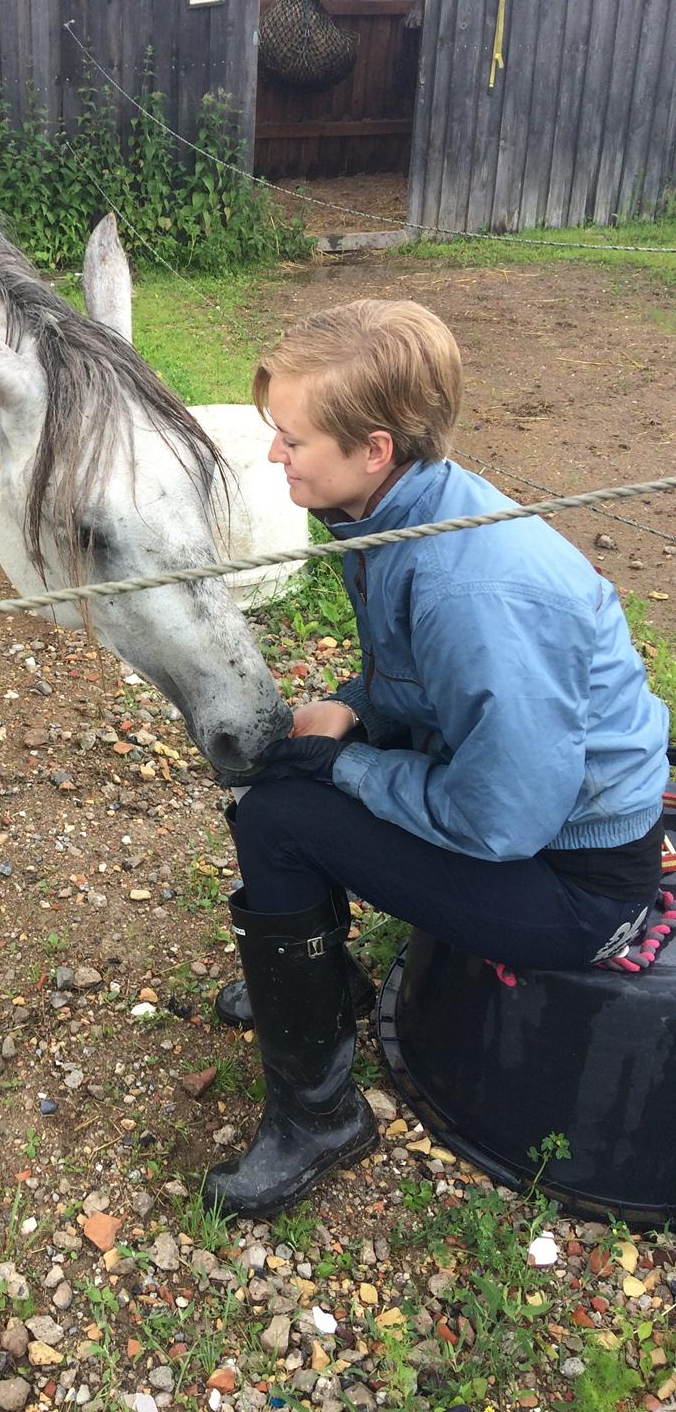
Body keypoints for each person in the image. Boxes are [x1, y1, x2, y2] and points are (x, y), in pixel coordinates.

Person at [204, 298, 671, 1220]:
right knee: (286, 757)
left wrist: (350, 769)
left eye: (291, 439)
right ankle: (322, 975)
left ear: (373, 448)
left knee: (277, 814)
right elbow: (426, 684)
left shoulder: (471, 584)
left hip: (573, 882)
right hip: (539, 813)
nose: (273, 455)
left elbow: (501, 819)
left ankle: (318, 1116)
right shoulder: (394, 515)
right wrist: (355, 706)